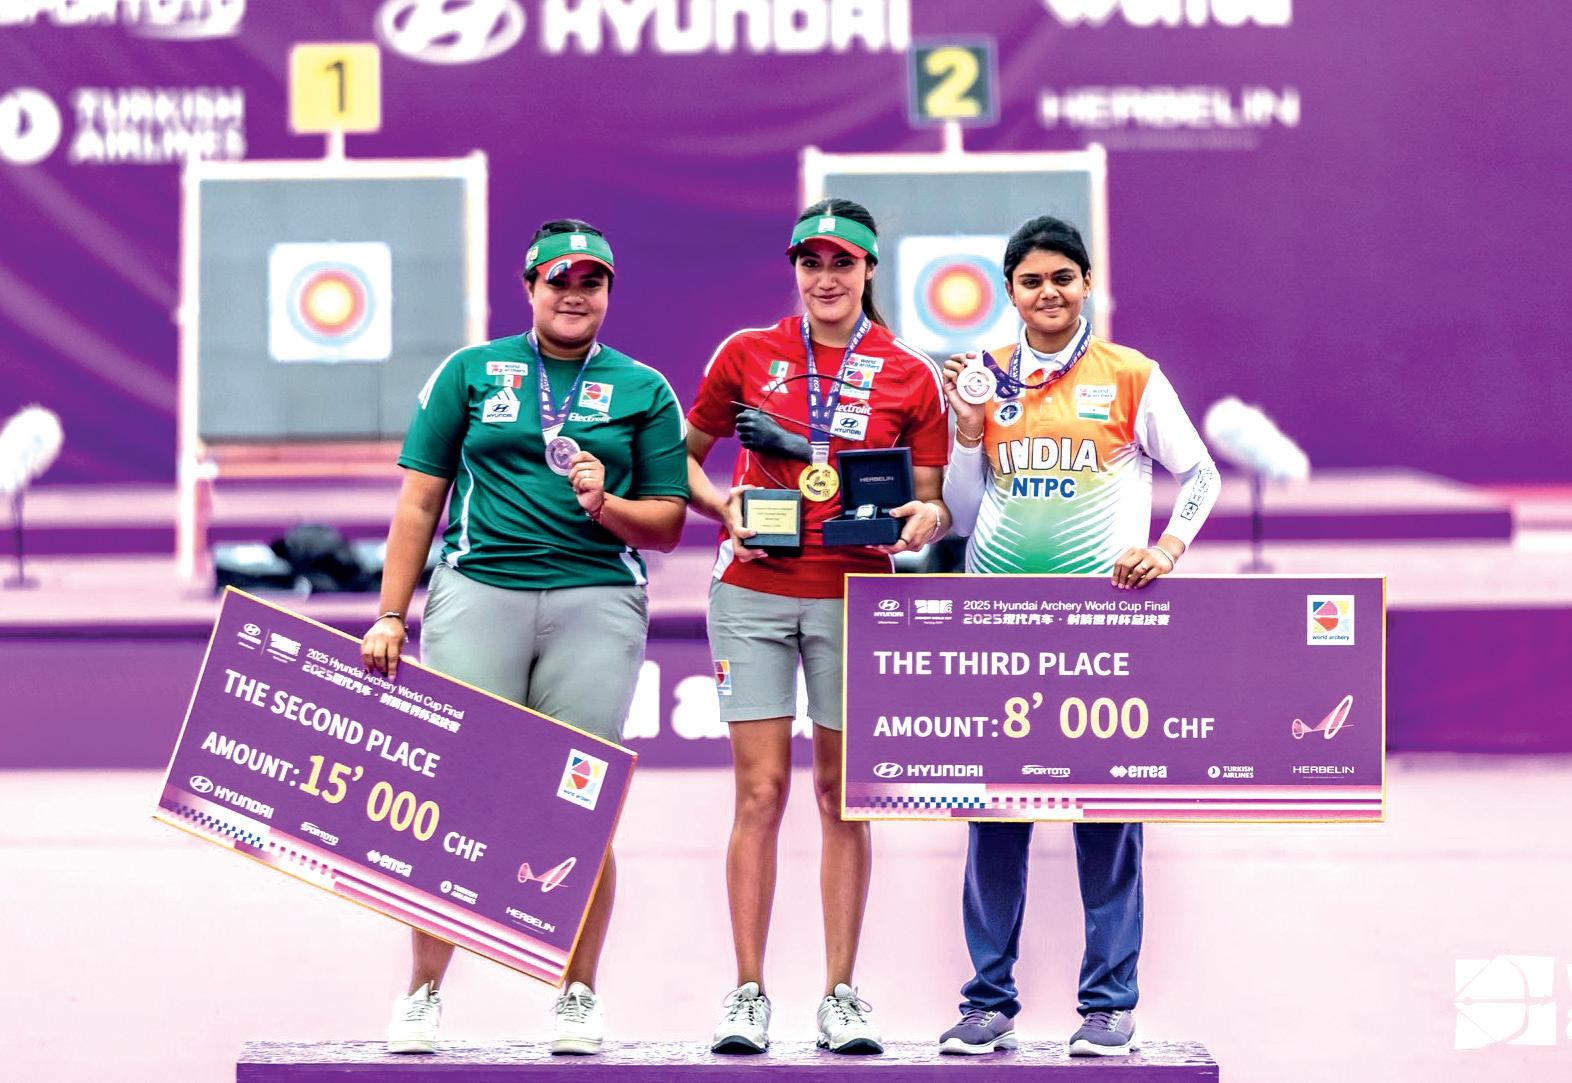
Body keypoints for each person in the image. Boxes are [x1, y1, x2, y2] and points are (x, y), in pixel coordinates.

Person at [360, 219, 690, 1056]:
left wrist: (605, 503)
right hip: (480, 593)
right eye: (559, 280)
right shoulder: (471, 371)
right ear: (529, 286)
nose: (574, 295)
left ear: (608, 291)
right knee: (456, 798)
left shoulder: (643, 387)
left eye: (591, 282)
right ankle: (422, 993)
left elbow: (665, 525)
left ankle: (577, 994)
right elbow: (419, 502)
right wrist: (392, 612)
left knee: (581, 803)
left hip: (596, 600)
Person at [936, 215, 1220, 1057]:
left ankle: (1108, 1006)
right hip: (1000, 628)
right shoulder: (984, 377)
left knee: (1108, 817)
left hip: (1102, 630)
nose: (1049, 292)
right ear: (1010, 291)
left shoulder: (1131, 374)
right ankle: (987, 1001)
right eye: (1032, 280)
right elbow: (960, 509)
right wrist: (965, 428)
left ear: (1087, 282)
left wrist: (1166, 548)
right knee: (995, 816)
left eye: (1063, 276)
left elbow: (1200, 473)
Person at [684, 199, 951, 1055]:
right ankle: (747, 993)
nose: (826, 278)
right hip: (752, 590)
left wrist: (922, 521)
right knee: (760, 792)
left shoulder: (909, 373)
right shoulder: (746, 352)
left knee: (842, 795)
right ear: (795, 269)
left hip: (853, 594)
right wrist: (724, 506)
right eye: (811, 262)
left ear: (870, 269)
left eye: (842, 262)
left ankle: (840, 994)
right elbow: (680, 456)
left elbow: (933, 501)